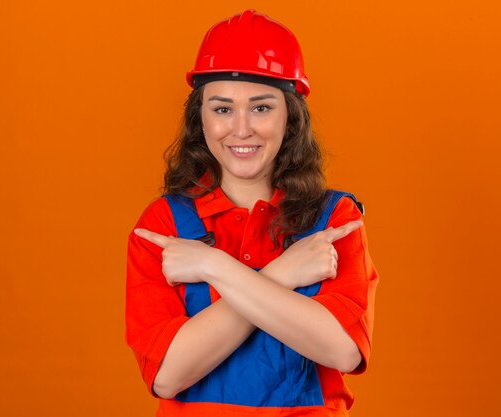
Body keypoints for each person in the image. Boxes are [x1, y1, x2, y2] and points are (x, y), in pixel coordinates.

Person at [126, 9, 378, 417]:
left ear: (290, 118)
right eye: (222, 109)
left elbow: (343, 350)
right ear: (200, 119)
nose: (241, 129)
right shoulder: (163, 226)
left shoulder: (334, 219)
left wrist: (212, 266)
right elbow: (169, 375)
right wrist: (282, 275)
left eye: (261, 108)